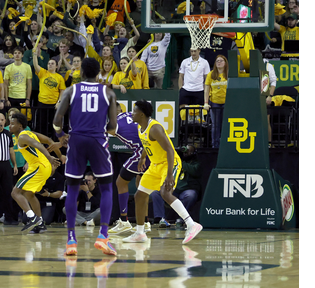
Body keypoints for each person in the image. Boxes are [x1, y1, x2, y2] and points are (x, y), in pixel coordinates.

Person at [52, 58, 118, 256]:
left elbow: (57, 120)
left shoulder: (71, 90)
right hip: (98, 140)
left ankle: (71, 240)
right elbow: (113, 127)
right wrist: (102, 130)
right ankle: (103, 236)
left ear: (81, 72)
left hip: (77, 140)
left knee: (72, 189)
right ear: (99, 74)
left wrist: (60, 135)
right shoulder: (108, 92)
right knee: (106, 187)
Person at [123, 100, 203, 244]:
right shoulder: (141, 127)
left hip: (169, 163)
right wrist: (142, 158)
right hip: (155, 165)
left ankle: (192, 224)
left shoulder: (155, 128)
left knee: (165, 193)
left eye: (134, 111)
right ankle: (140, 233)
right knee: (139, 196)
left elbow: (170, 150)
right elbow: (146, 144)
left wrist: (170, 174)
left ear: (141, 114)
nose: (132, 113)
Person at [9, 113, 61, 233]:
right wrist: (60, 156)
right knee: (28, 193)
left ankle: (32, 218)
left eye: (12, 124)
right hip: (44, 167)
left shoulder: (22, 136)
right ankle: (40, 223)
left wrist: (49, 157)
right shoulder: (31, 133)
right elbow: (48, 140)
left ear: (20, 125)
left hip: (38, 166)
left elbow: (38, 144)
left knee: (15, 192)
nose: (10, 126)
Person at [109, 106, 150, 234]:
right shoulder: (129, 115)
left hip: (142, 153)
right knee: (141, 185)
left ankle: (124, 221)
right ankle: (146, 222)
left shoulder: (113, 124)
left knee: (120, 183)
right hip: (152, 149)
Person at [150, 144, 202, 228]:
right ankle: (161, 219)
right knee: (156, 193)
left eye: (189, 151)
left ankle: (182, 219)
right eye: (185, 151)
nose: (186, 153)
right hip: (173, 191)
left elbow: (194, 171)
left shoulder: (196, 163)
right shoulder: (174, 162)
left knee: (190, 195)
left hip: (186, 190)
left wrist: (178, 161)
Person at [32, 42, 66, 137]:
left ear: (56, 66)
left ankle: (54, 142)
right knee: (41, 124)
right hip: (42, 102)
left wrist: (59, 101)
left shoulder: (59, 77)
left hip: (54, 104)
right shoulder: (43, 73)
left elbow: (62, 90)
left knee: (54, 125)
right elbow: (36, 65)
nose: (50, 65)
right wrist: (35, 55)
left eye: (52, 64)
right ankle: (42, 142)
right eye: (49, 63)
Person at [204, 55, 229, 149]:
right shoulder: (211, 74)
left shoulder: (228, 74)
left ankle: (225, 145)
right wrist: (206, 102)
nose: (219, 62)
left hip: (226, 102)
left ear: (225, 62)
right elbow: (206, 89)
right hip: (214, 102)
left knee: (226, 124)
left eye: (221, 61)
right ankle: (215, 145)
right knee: (215, 125)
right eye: (217, 61)